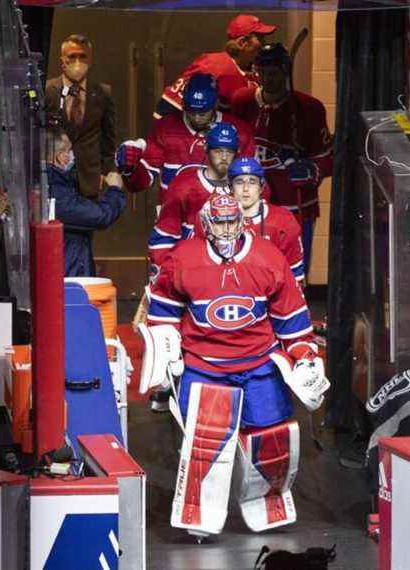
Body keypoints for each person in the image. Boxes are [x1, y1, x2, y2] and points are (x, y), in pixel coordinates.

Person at [140, 194, 329, 537]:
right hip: (205, 364)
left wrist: (304, 356)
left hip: (258, 361)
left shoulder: (268, 257)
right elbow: (163, 314)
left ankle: (265, 503)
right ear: (206, 223)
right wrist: (165, 357)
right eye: (220, 222)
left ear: (241, 221)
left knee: (272, 439)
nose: (226, 229)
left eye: (232, 221)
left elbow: (291, 317)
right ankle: (200, 512)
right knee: (205, 443)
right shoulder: (182, 259)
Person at [231, 43, 333, 276]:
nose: (268, 78)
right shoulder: (242, 102)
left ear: (285, 71)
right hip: (249, 206)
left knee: (293, 274)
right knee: (250, 270)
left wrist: (311, 170)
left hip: (295, 208)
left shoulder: (309, 108)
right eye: (263, 72)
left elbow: (326, 159)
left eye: (274, 72)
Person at [116, 73, 255, 199]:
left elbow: (254, 184)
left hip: (224, 219)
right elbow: (140, 183)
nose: (196, 118)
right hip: (173, 218)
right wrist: (130, 170)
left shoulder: (240, 131)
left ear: (215, 104)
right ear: (182, 105)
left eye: (202, 113)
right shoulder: (165, 128)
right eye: (191, 111)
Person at [147, 122, 238, 278]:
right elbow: (165, 234)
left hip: (235, 272)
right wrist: (164, 272)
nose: (224, 157)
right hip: (192, 271)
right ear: (206, 150)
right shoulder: (184, 186)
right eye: (218, 151)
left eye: (229, 152)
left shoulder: (245, 189)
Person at [155, 14, 277, 118]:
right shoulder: (214, 67)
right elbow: (166, 108)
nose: (264, 44)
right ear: (243, 43)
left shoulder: (251, 71)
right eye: (260, 38)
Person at [46, 128, 126, 277]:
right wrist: (115, 189)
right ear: (59, 157)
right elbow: (101, 216)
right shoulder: (57, 194)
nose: (72, 156)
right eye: (69, 151)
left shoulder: (55, 186)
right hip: (69, 277)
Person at [45, 34, 117, 198]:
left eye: (83, 56)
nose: (78, 62)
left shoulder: (102, 93)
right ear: (62, 60)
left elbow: (108, 138)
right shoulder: (47, 90)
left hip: (90, 180)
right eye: (72, 56)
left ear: (90, 60)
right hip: (56, 178)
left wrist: (107, 172)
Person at [229, 157, 305, 282]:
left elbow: (294, 275)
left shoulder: (283, 220)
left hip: (270, 296)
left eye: (252, 182)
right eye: (239, 182)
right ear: (230, 187)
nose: (246, 188)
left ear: (262, 186)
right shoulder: (218, 218)